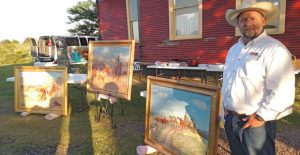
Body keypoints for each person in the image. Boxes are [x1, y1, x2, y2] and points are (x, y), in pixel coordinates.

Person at [222, 0, 295, 155]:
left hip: (255, 122)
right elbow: (228, 79)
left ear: (263, 20)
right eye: (243, 20)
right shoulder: (234, 50)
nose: (248, 23)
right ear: (238, 24)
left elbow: (283, 90)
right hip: (231, 119)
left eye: (253, 18)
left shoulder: (274, 49)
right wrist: (225, 105)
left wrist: (261, 117)